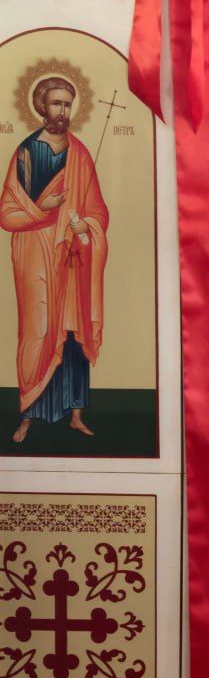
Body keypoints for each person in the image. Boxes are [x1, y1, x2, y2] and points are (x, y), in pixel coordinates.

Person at [2, 76, 109, 444]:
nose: (62, 111)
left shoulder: (81, 154)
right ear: (41, 107)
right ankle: (28, 414)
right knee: (38, 331)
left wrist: (85, 226)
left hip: (71, 256)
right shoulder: (26, 153)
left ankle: (75, 414)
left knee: (72, 334)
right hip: (35, 256)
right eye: (56, 103)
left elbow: (98, 210)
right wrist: (41, 208)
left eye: (67, 104)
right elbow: (7, 214)